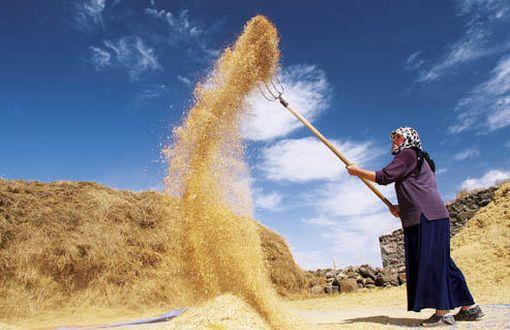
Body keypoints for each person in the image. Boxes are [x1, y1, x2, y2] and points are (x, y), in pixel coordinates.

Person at [345, 127, 484, 327]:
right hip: (429, 216)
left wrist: (357, 171)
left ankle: (443, 313)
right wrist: (401, 207)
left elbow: (384, 176)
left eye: (398, 136)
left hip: (427, 217)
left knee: (434, 263)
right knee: (443, 263)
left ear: (409, 139)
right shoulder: (417, 159)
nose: (394, 140)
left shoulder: (408, 154)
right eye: (393, 137)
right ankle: (469, 308)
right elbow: (419, 188)